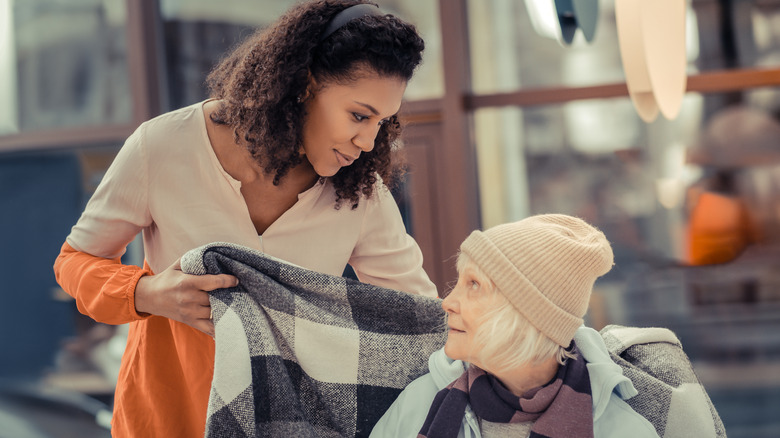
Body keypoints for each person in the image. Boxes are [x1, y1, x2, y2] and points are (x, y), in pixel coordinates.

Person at [53, 1, 437, 436]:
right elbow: (75, 261)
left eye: (381, 123)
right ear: (304, 85)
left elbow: (417, 316)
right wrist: (147, 292)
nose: (368, 141)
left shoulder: (360, 192)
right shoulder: (162, 147)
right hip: (168, 417)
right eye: (359, 115)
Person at [371, 214, 660, 438]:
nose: (448, 302)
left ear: (528, 316)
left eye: (473, 284)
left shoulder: (623, 430)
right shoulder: (419, 404)